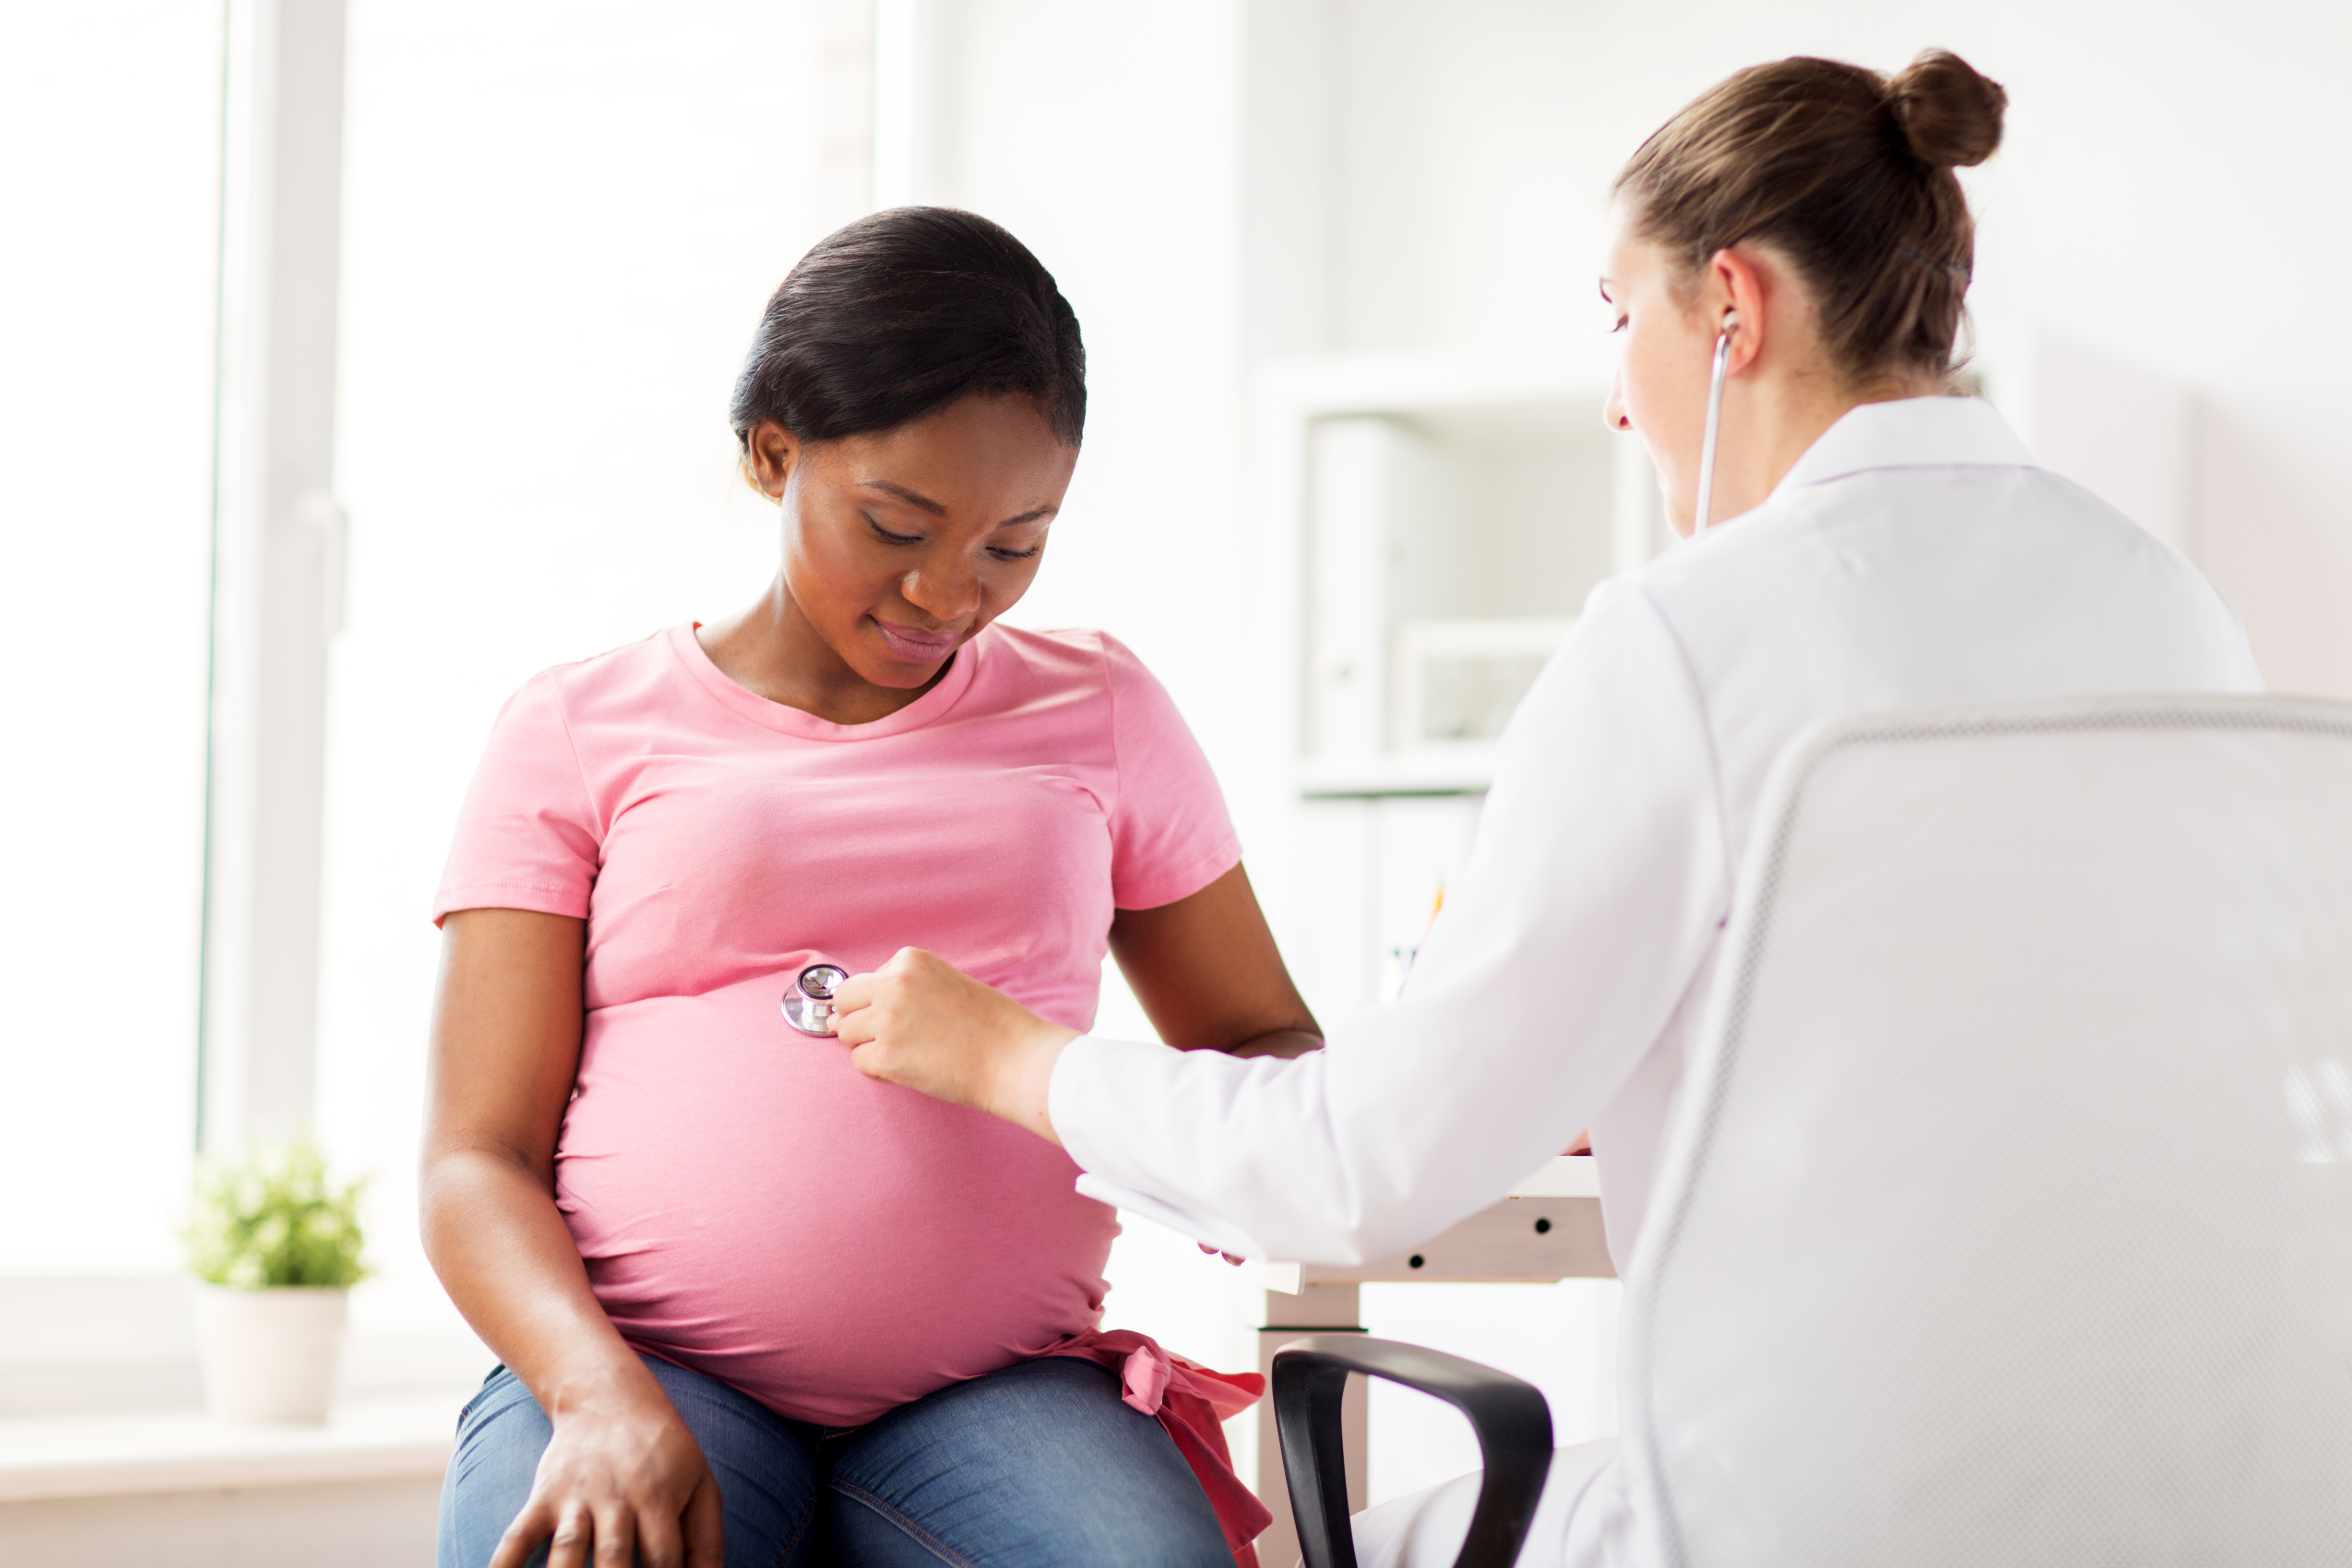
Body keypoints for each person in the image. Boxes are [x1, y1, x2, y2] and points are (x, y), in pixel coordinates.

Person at [828, 51, 2265, 1568]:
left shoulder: (1690, 634)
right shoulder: (2173, 609)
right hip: (2186, 1502)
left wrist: (1017, 1057)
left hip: (1790, 1518)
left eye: (1618, 314)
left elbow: (1354, 1170)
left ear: (1733, 307)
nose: (1612, 397)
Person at [421, 207, 1321, 1568]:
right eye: (897, 522)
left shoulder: (1105, 709)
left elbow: (1269, 1050)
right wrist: (594, 1392)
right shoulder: (577, 727)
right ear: (774, 450)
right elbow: (472, 1157)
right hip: (652, 1365)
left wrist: (1059, 1079)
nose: (948, 592)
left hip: (1003, 1392)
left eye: (1014, 546)